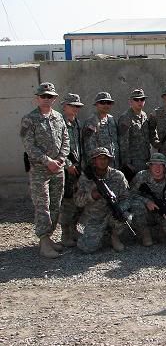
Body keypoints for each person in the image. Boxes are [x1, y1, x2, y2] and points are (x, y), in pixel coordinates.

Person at [20, 82, 70, 258]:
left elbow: (66, 140)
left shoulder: (58, 117)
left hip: (58, 169)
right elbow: (29, 145)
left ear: (55, 99)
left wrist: (61, 159)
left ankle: (49, 238)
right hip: (40, 170)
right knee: (43, 206)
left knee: (55, 204)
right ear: (37, 98)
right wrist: (47, 161)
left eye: (50, 96)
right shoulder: (29, 119)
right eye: (44, 96)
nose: (47, 99)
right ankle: (43, 242)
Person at [75, 147, 131, 253]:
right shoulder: (86, 177)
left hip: (111, 215)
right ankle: (101, 235)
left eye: (105, 158)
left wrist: (119, 209)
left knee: (126, 217)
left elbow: (127, 198)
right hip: (93, 217)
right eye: (99, 158)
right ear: (94, 161)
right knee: (87, 248)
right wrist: (92, 195)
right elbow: (77, 201)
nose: (102, 161)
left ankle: (114, 236)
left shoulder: (118, 176)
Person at [129, 153, 166, 246]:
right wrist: (147, 202)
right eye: (154, 164)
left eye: (161, 165)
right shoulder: (141, 176)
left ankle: (160, 230)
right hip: (145, 211)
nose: (157, 168)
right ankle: (145, 233)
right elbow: (129, 194)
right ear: (150, 166)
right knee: (136, 205)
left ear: (165, 167)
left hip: (163, 213)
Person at [59, 93, 85, 248]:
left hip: (78, 168)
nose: (75, 109)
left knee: (79, 200)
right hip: (66, 168)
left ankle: (74, 228)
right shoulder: (60, 123)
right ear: (64, 106)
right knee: (67, 202)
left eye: (77, 106)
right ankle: (65, 233)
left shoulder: (77, 124)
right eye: (72, 105)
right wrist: (68, 164)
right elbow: (58, 146)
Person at [118, 88, 158, 182]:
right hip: (133, 162)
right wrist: (127, 163)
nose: (140, 102)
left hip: (145, 158)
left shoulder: (144, 115)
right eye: (136, 99)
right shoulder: (126, 118)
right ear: (130, 102)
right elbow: (123, 143)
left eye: (142, 99)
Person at [83, 91, 120, 168]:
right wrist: (93, 166)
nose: (106, 105)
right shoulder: (92, 121)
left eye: (108, 103)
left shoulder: (111, 119)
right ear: (96, 104)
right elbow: (89, 146)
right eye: (102, 102)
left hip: (114, 164)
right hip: (99, 166)